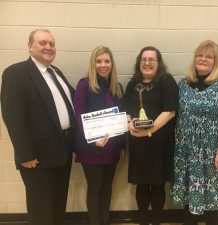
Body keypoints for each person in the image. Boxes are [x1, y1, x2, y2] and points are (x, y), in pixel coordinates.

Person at [1, 29, 75, 225]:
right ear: (30, 46)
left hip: (63, 151)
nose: (48, 47)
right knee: (41, 209)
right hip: (37, 157)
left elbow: (72, 103)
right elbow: (12, 116)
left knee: (58, 204)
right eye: (43, 43)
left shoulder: (56, 72)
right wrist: (25, 154)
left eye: (51, 44)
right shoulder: (16, 73)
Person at [171, 40, 218, 225]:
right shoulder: (184, 84)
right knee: (189, 202)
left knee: (213, 205)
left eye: (208, 56)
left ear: (215, 61)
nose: (203, 59)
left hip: (214, 152)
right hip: (187, 152)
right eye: (199, 55)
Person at [124, 46, 178, 225]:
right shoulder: (133, 83)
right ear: (139, 62)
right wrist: (129, 123)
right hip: (138, 143)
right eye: (143, 59)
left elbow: (170, 112)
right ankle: (142, 221)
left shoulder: (166, 81)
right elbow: (126, 110)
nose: (147, 63)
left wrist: (148, 131)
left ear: (158, 63)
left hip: (159, 143)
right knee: (141, 184)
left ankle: (156, 221)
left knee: (157, 184)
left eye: (151, 59)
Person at [73, 46, 126, 225]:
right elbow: (78, 118)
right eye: (99, 61)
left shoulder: (117, 87)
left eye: (107, 61)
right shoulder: (84, 85)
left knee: (107, 188)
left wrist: (121, 146)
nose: (103, 65)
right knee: (95, 189)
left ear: (112, 64)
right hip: (91, 150)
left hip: (111, 150)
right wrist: (92, 141)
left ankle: (105, 221)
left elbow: (121, 118)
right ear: (93, 64)